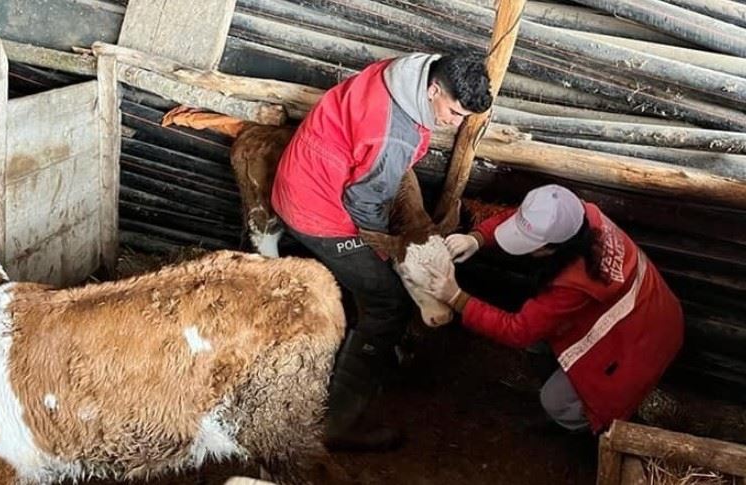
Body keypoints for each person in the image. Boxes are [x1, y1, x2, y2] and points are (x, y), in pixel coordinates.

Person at [270, 52, 493, 451]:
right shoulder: (393, 135)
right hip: (315, 210)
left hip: (307, 169)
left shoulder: (406, 71)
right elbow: (364, 206)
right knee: (389, 301)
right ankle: (337, 420)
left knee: (374, 277)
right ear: (433, 90)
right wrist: (389, 253)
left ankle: (357, 343)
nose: (455, 123)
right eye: (455, 112)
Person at [420, 184, 684, 434]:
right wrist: (478, 238)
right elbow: (523, 218)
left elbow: (519, 331)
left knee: (557, 401)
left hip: (642, 342)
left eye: (532, 244)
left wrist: (457, 299)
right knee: (540, 344)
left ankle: (595, 428)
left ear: (553, 248)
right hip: (647, 308)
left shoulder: (574, 283)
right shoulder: (578, 214)